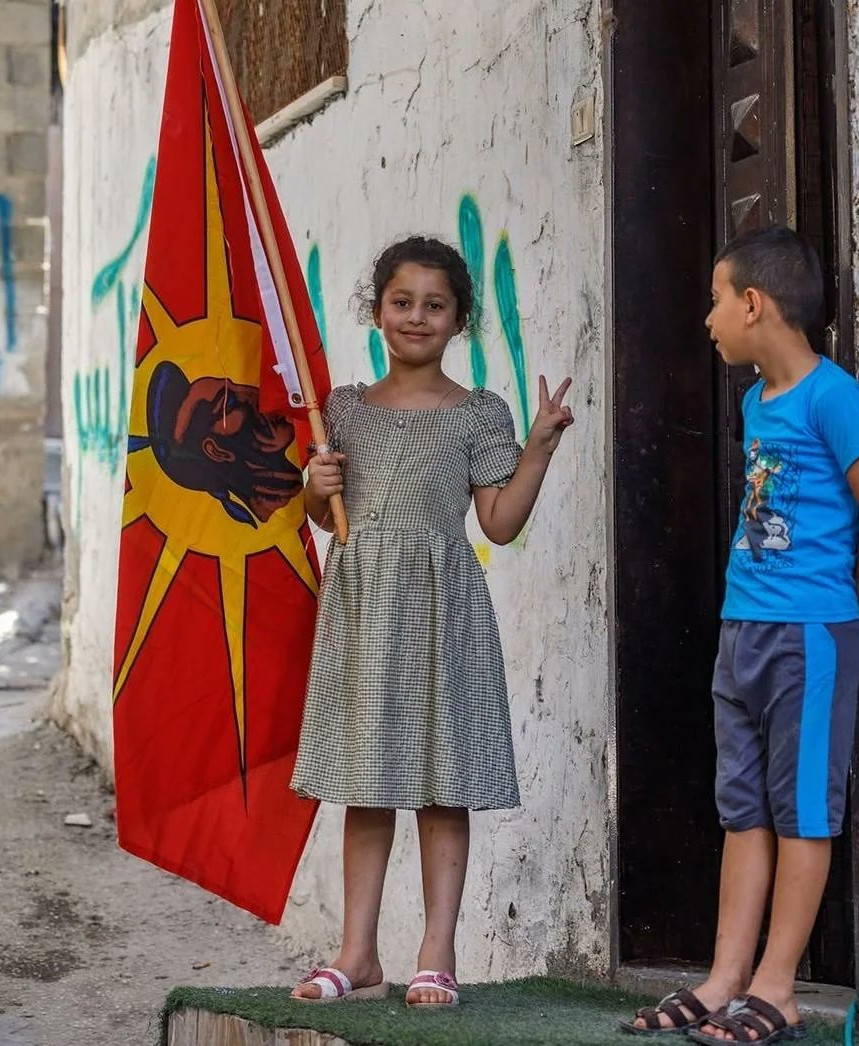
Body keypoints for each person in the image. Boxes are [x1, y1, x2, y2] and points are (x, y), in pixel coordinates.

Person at [621, 226, 859, 1042]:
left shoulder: (832, 397)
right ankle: (723, 979)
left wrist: (847, 607)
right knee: (741, 810)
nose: (707, 318)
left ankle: (776, 987)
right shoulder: (754, 402)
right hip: (740, 629)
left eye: (715, 300)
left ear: (752, 303)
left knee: (800, 814)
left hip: (809, 634)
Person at [288, 236, 574, 1007]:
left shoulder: (479, 413)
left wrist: (538, 450)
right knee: (366, 784)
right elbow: (323, 517)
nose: (416, 316)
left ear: (458, 320)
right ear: (376, 310)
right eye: (401, 301)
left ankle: (435, 956)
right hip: (361, 609)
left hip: (440, 611)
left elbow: (500, 523)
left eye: (434, 304)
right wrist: (315, 485)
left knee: (441, 786)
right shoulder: (341, 408)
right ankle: (358, 954)